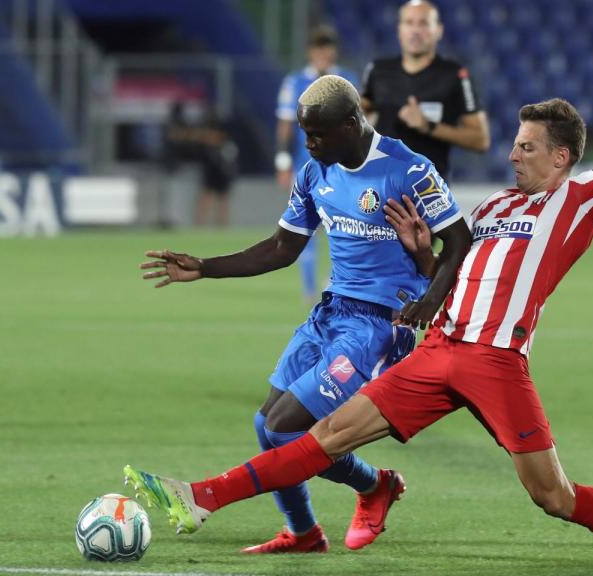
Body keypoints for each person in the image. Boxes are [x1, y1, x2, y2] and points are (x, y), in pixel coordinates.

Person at [126, 34, 593, 564]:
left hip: (496, 361)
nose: (512, 154)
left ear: (562, 157)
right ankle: (200, 497)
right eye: (513, 142)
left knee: (552, 496)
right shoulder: (498, 206)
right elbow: (462, 273)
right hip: (441, 347)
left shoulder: (579, 201)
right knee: (326, 436)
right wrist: (422, 257)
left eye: (527, 147)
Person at [138, 75, 472, 553]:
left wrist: (429, 298)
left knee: (285, 427)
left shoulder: (408, 169)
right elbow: (282, 247)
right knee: (265, 424)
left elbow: (460, 241)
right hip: (332, 313)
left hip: (377, 327)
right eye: (304, 134)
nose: (309, 143)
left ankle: (376, 485)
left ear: (352, 123)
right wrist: (205, 267)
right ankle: (305, 533)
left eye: (317, 134)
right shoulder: (316, 172)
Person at [360, 0, 490, 180]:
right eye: (409, 23)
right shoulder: (377, 70)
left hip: (430, 189)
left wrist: (428, 126)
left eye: (423, 23)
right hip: (380, 185)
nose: (415, 30)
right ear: (399, 30)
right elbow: (362, 111)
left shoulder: (455, 75)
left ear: (439, 30)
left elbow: (480, 140)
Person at [277, 25, 359, 304]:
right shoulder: (295, 81)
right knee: (304, 227)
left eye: (327, 46)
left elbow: (362, 123)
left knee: (349, 226)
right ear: (310, 51)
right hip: (307, 168)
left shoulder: (347, 80)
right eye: (318, 46)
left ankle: (337, 282)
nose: (323, 52)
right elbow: (286, 123)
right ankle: (310, 290)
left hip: (342, 167)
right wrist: (282, 159)